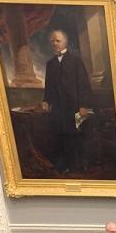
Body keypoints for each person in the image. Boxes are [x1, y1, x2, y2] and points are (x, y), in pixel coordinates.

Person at [41, 29, 92, 175]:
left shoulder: (76, 60)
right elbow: (49, 85)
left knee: (75, 136)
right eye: (53, 41)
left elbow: (83, 84)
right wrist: (46, 100)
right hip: (57, 107)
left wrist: (83, 105)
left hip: (74, 106)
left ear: (65, 42)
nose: (55, 43)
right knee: (60, 136)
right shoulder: (50, 64)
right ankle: (63, 166)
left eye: (58, 40)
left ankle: (79, 165)